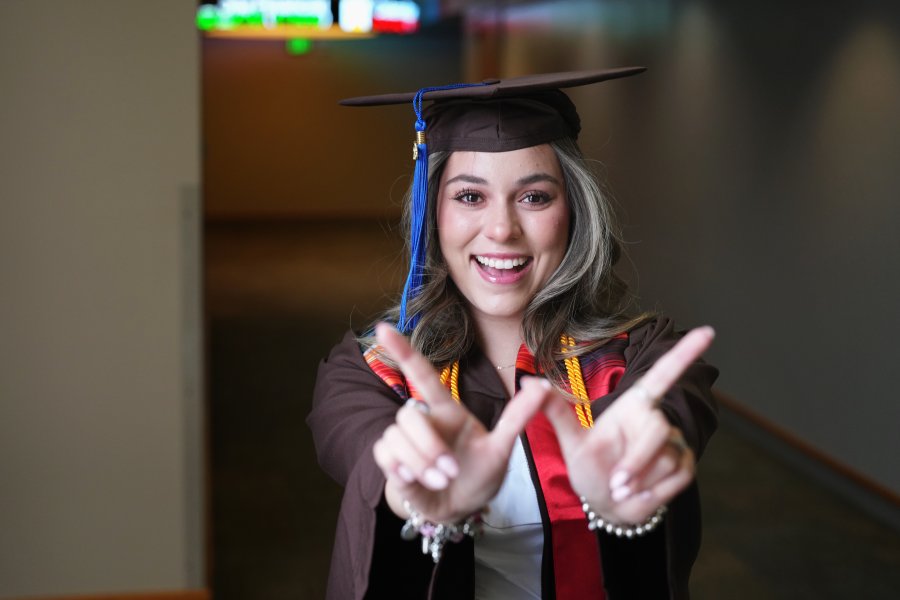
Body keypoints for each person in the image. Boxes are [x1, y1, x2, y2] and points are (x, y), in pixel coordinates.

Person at [308, 68, 719, 600]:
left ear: (573, 210)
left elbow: (669, 417)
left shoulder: (640, 357)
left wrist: (627, 476)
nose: (502, 229)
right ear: (433, 213)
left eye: (534, 197)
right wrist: (415, 495)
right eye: (470, 197)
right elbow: (365, 451)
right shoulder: (370, 371)